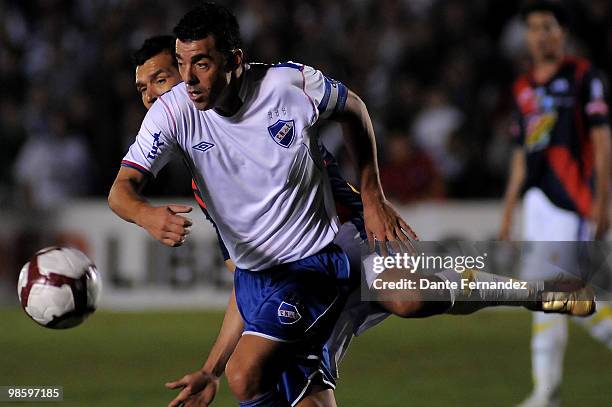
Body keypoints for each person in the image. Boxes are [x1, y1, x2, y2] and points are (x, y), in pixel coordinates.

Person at [110, 4, 596, 406]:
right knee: (288, 390)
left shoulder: (284, 90)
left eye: (162, 79)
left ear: (226, 60)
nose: (156, 95)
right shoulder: (202, 174)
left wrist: (373, 195)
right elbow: (245, 276)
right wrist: (209, 366)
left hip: (338, 242)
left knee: (405, 299)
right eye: (143, 89)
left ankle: (528, 291)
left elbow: (353, 110)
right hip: (290, 285)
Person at [499, 2, 612, 407]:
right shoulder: (523, 86)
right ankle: (546, 392)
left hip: (571, 200)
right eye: (533, 28)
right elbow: (519, 153)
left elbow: (600, 140)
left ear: (562, 33)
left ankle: (546, 392)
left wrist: (603, 201)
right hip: (537, 201)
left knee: (565, 291)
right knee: (543, 295)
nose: (540, 35)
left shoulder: (583, 76)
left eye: (547, 27)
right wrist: (510, 211)